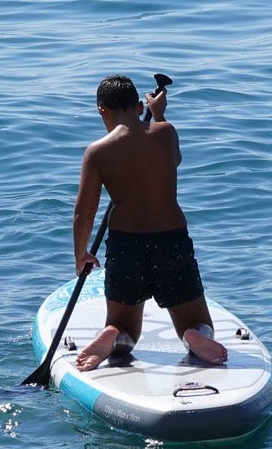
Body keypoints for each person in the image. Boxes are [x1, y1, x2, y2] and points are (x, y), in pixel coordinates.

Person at [71, 75, 227, 371]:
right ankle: (194, 335)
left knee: (126, 328)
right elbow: (174, 160)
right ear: (139, 104)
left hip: (125, 245)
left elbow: (84, 212)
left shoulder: (98, 151)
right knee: (197, 321)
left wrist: (81, 254)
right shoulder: (166, 134)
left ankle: (113, 335)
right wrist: (159, 115)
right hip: (171, 241)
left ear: (102, 111)